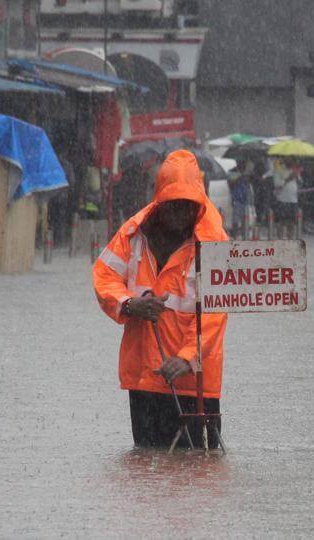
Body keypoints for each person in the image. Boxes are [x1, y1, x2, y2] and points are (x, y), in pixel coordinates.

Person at [92, 150, 229, 448]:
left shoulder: (214, 243)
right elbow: (104, 276)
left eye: (189, 206)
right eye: (174, 205)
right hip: (144, 379)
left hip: (195, 386)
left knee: (197, 468)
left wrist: (187, 358)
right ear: (159, 201)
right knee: (145, 462)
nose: (181, 213)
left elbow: (215, 315)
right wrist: (129, 304)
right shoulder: (132, 234)